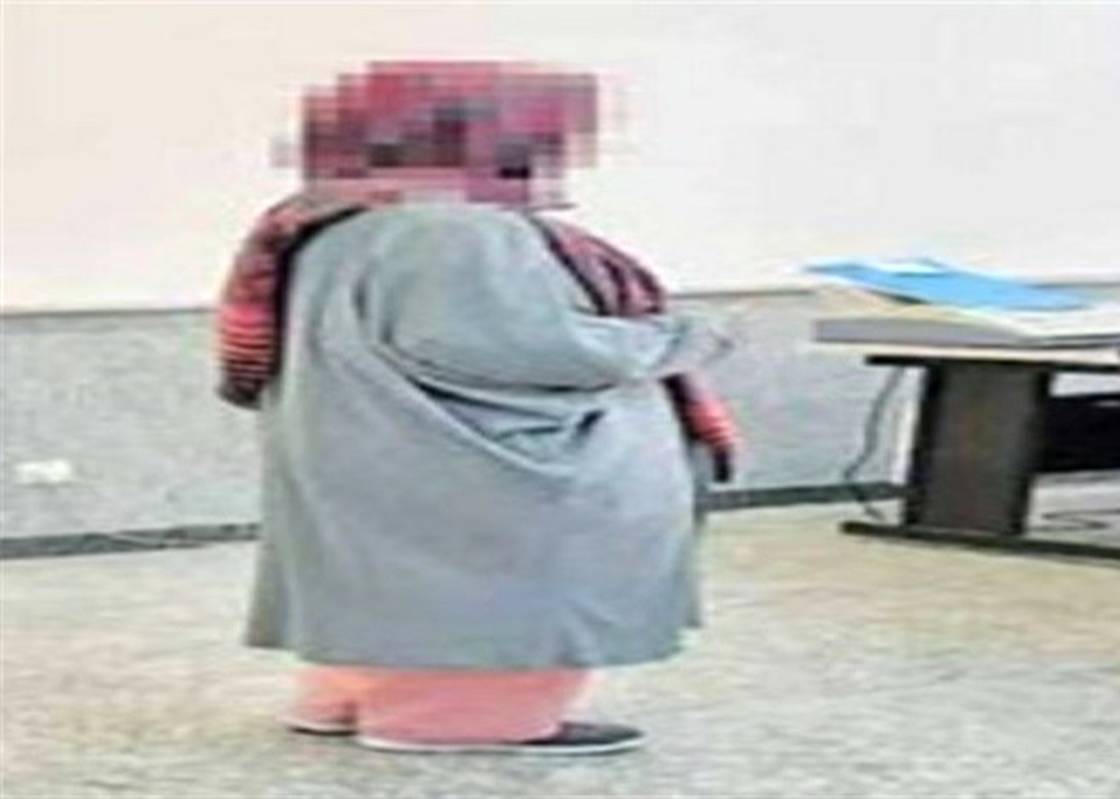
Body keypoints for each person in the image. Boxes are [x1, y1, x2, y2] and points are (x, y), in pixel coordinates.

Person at [215, 61, 738, 756]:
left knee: (382, 583)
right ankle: (456, 719)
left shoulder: (330, 218)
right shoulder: (453, 230)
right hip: (478, 471)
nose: (559, 153)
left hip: (379, 450)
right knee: (498, 591)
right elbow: (522, 347)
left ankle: (349, 698)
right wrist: (677, 338)